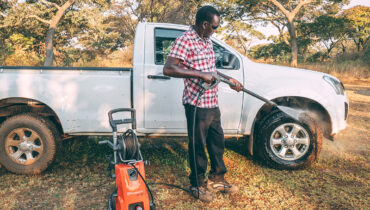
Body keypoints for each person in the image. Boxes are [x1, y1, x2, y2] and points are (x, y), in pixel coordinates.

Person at [163, 6, 243, 202]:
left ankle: (217, 177)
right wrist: (200, 75)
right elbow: (169, 68)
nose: (216, 30)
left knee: (217, 142)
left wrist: (229, 80)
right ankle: (197, 184)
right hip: (196, 104)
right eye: (215, 27)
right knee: (198, 145)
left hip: (212, 102)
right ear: (204, 24)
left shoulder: (207, 40)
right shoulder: (185, 40)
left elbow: (211, 71)